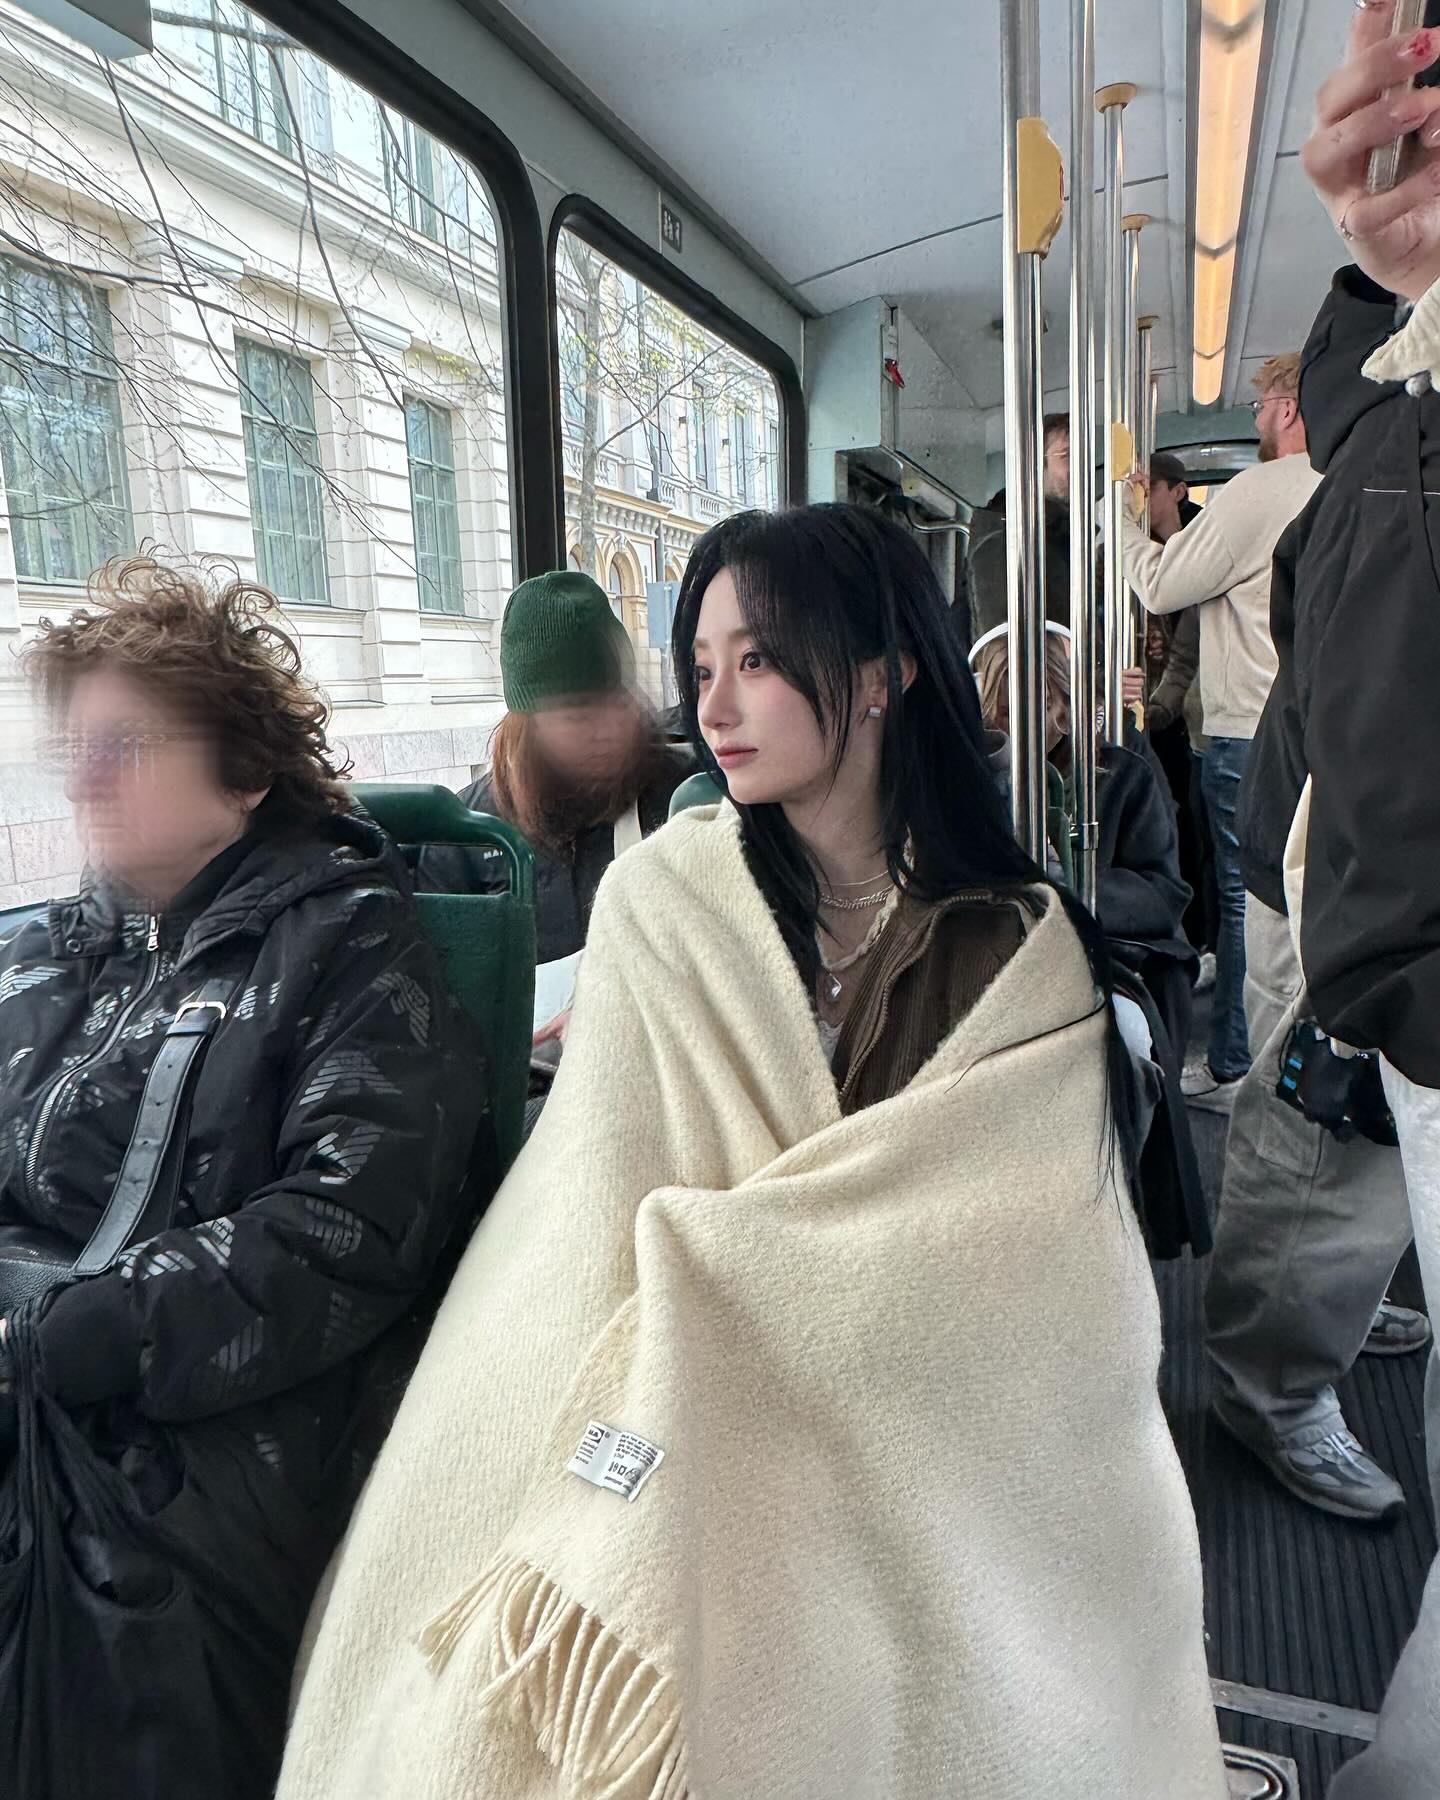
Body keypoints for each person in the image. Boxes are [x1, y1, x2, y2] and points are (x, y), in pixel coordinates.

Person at [278, 505, 1226, 1800]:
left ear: (885, 675)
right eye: (701, 665)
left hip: (913, 1432)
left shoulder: (1018, 949)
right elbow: (590, 1206)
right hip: (684, 1400)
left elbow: (1049, 1296)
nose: (715, 705)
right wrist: (719, 1283)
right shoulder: (665, 902)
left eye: (761, 661)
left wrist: (741, 1276)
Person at [0, 558, 488, 1799]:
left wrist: (98, 1329)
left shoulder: (346, 943)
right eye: (77, 748)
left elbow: (350, 1225)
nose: (86, 778)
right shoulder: (50, 951)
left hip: (211, 1428)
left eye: (127, 745)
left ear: (245, 770)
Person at [1264, 7, 1440, 1789]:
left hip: (1382, 931)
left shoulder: (1318, 482)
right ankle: (1282, 1377)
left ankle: (1286, 1373)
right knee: (1320, 1155)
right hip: (1386, 936)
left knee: (1319, 1169)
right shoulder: (1386, 429)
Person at [1121, 360, 1322, 1097]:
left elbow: (1160, 584)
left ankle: (1240, 1061)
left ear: (1289, 409)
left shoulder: (1261, 490)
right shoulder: (1346, 481)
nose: (1258, 416)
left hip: (1248, 728)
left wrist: (1118, 517)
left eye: (1262, 404)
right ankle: (1304, 1052)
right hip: (1317, 724)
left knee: (1244, 898)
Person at [420, 570, 690, 1049]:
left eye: (617, 701)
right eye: (578, 713)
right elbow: (436, 996)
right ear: (529, 720)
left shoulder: (682, 796)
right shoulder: (466, 835)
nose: (608, 727)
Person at [965, 411, 1075, 638]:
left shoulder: (1066, 533)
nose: (1079, 467)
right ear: (1037, 464)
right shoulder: (1002, 535)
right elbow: (1002, 641)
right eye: (1067, 455)